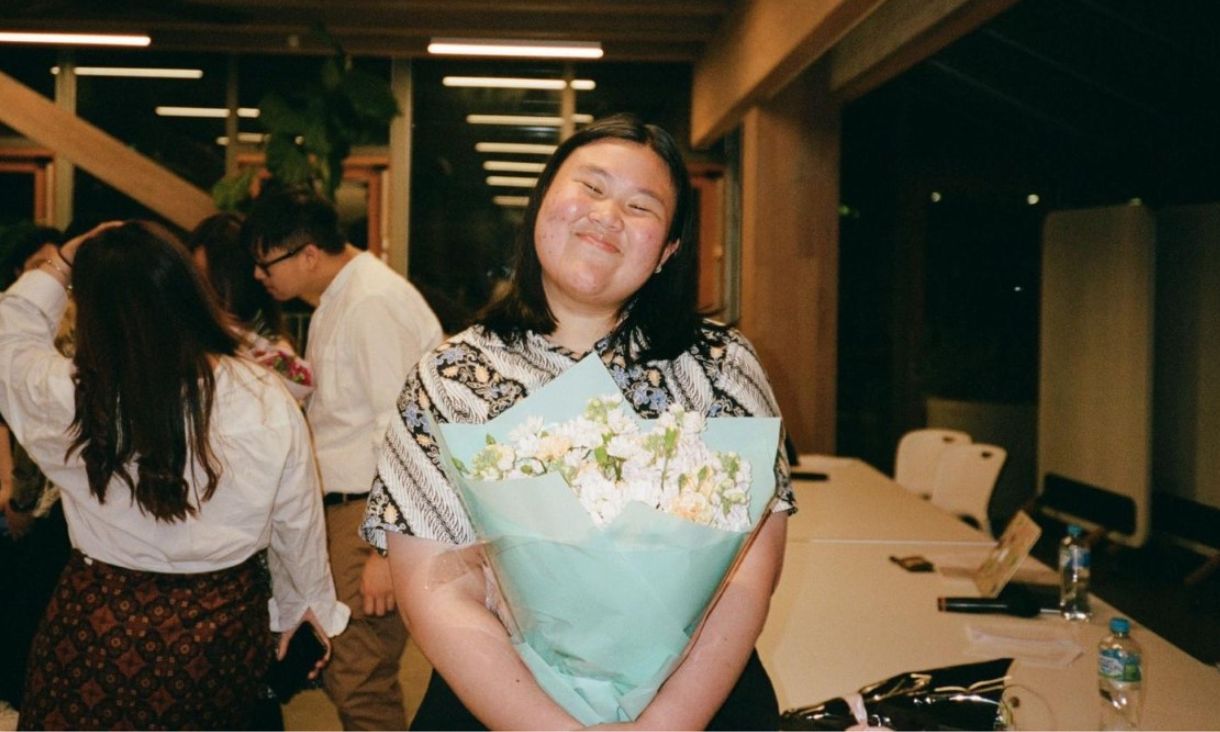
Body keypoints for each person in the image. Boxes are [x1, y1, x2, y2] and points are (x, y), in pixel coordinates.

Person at [361, 113, 796, 730]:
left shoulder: (721, 364)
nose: (608, 215)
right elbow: (434, 587)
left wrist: (667, 723)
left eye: (641, 206)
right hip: (500, 698)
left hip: (699, 699)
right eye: (591, 188)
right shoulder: (449, 377)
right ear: (541, 204)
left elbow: (751, 568)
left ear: (670, 248)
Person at [0, 220, 349, 729]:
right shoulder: (260, 393)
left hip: (102, 623)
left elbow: (10, 333)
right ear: (188, 289)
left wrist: (63, 263)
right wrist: (303, 611)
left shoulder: (71, 393)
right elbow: (295, 522)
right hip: (220, 628)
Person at [245, 189, 444, 731]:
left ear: (307, 253)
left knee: (359, 675)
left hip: (367, 516)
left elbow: (401, 426)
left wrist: (384, 546)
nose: (261, 277)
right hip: (349, 511)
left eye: (266, 264)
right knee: (347, 672)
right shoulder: (341, 296)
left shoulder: (371, 301)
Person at [188, 212, 314, 402]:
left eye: (212, 280)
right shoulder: (187, 338)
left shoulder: (268, 345)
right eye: (197, 279)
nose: (204, 291)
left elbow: (299, 382)